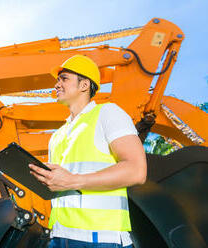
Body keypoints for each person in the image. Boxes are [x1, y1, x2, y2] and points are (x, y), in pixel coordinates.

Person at [29, 54, 147, 248]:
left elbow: (136, 170)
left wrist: (73, 181)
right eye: (57, 80)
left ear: (84, 85)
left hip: (100, 239)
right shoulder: (57, 135)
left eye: (64, 79)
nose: (57, 85)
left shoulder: (108, 113)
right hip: (59, 236)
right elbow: (61, 185)